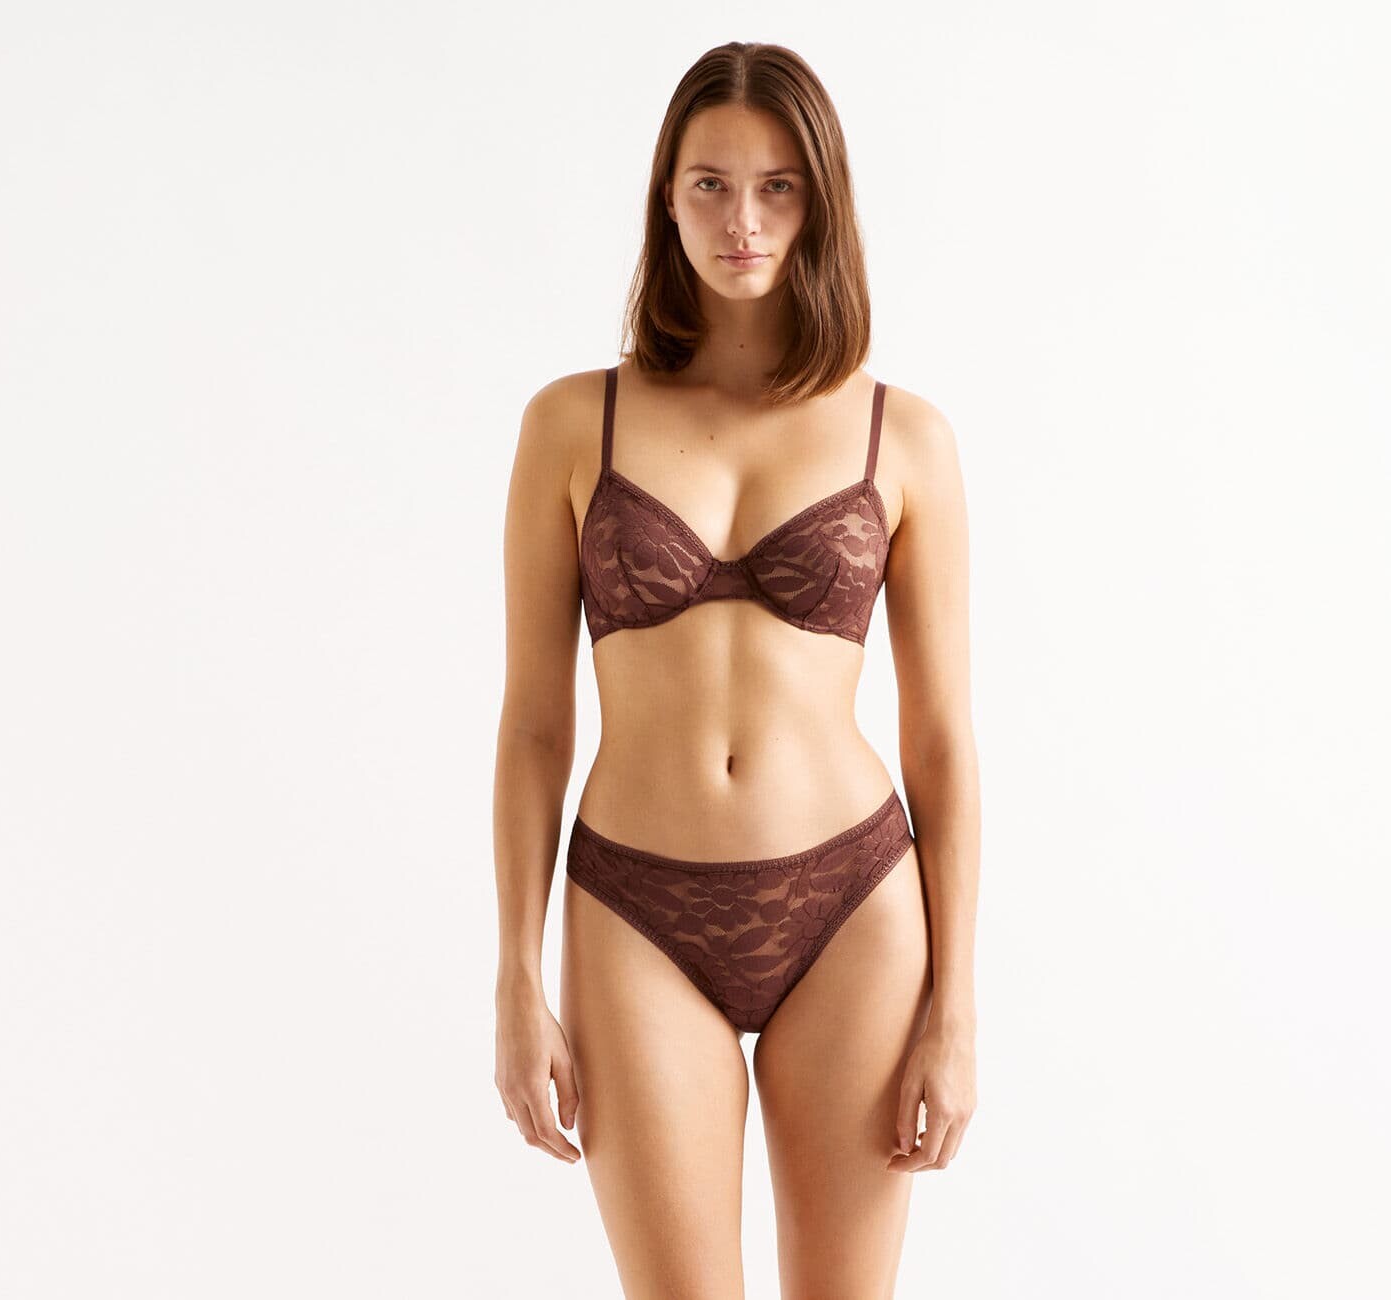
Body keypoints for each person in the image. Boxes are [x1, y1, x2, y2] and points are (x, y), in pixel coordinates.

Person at [491, 40, 981, 1299]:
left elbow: (940, 741)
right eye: (709, 185)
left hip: (853, 906)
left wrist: (957, 1008)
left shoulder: (905, 437)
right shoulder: (571, 422)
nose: (742, 221)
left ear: (820, 202)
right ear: (666, 197)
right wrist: (515, 976)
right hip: (635, 911)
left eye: (776, 188)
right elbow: (534, 726)